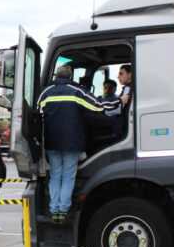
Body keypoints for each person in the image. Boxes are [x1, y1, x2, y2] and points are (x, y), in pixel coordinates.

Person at [37, 65, 126, 224]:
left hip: (52, 142)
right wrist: (119, 101)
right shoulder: (76, 91)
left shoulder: (46, 92)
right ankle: (63, 211)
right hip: (72, 143)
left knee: (56, 175)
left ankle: (54, 210)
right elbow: (97, 106)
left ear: (56, 76)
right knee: (68, 176)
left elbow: (38, 111)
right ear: (70, 77)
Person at [114, 64, 133, 136]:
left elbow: (119, 109)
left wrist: (106, 110)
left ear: (130, 75)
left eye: (121, 74)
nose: (118, 77)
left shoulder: (127, 89)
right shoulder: (128, 88)